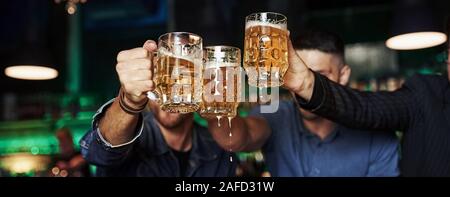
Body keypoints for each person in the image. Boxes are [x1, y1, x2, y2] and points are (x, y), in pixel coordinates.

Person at [207, 30, 399, 177]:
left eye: (319, 76)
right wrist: (217, 112)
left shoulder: (376, 134)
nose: (302, 87)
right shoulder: (276, 115)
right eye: (295, 75)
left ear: (343, 75)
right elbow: (237, 138)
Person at [283, 21, 450, 176]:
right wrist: (306, 84)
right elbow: (366, 108)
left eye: (320, 74)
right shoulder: (426, 94)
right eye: (449, 53)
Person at [80, 40, 236, 177]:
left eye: (182, 79)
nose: (172, 90)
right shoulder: (132, 137)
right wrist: (129, 102)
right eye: (163, 80)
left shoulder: (220, 148)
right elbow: (97, 153)